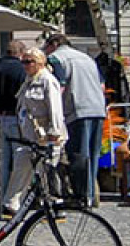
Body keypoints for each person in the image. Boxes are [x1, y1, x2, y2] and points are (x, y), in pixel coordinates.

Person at [42, 32, 105, 208]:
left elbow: (58, 86)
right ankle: (91, 195)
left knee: (79, 155)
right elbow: (102, 85)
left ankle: (81, 197)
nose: (45, 52)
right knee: (92, 155)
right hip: (98, 108)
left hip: (77, 109)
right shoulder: (87, 58)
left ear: (53, 44)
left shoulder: (55, 58)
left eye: (46, 47)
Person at [3, 46, 66, 215]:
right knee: (21, 166)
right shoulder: (28, 80)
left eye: (28, 62)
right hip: (29, 135)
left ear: (39, 62)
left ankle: (55, 205)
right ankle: (11, 204)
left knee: (47, 171)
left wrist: (54, 132)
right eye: (23, 61)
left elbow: (55, 109)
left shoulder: (47, 80)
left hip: (46, 136)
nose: (24, 65)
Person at [0, 38, 27, 197]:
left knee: (1, 161)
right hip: (16, 118)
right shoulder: (22, 70)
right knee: (19, 160)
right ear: (21, 54)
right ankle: (14, 198)